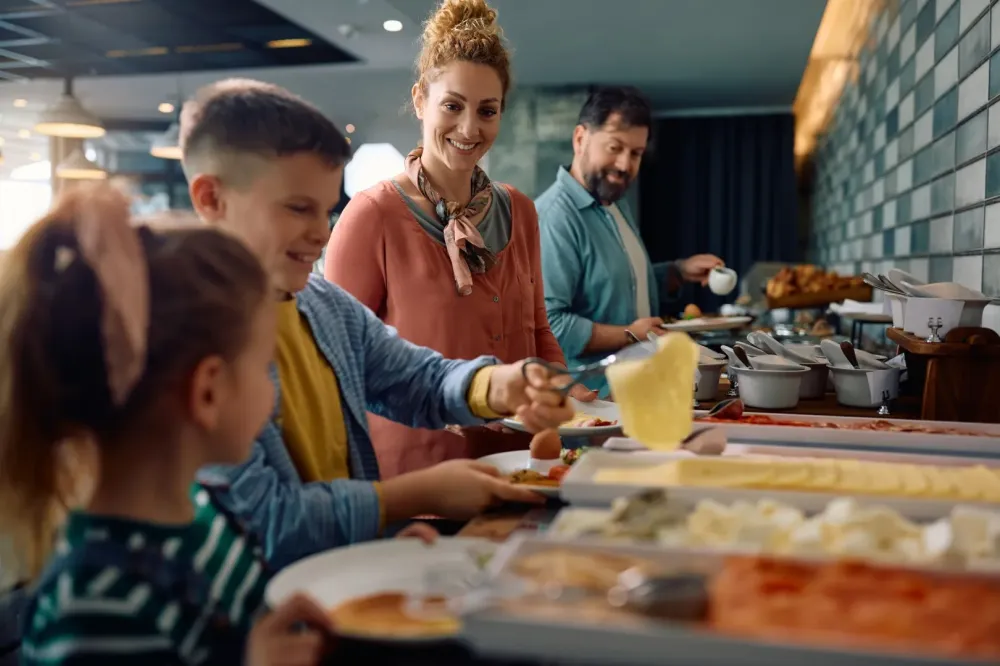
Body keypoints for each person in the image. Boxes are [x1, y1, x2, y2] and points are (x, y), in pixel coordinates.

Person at [179, 78, 573, 568]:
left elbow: (416, 378)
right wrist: (402, 499)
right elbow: (268, 522)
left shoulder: (320, 304)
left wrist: (499, 384)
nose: (321, 233)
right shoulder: (186, 348)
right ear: (211, 200)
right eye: (298, 208)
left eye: (326, 210)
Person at [1, 185, 334, 665]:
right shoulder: (99, 610)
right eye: (265, 367)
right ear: (208, 391)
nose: (272, 390)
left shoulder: (203, 511)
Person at [325, 0, 589, 478]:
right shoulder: (371, 216)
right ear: (421, 100)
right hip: (417, 480)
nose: (470, 129)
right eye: (453, 106)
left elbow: (539, 331)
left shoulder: (520, 211)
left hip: (519, 465)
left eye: (487, 111)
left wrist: (563, 391)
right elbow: (341, 366)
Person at [535, 86, 723, 395]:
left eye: (635, 153)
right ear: (580, 139)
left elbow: (618, 288)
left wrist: (676, 272)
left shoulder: (616, 204)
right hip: (593, 406)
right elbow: (549, 325)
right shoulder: (553, 218)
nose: (624, 165)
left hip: (639, 394)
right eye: (614, 147)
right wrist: (629, 334)